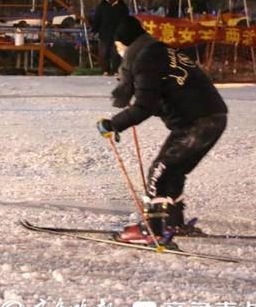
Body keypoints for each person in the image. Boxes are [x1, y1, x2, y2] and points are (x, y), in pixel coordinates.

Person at [97, 16, 228, 245]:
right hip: (206, 118)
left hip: (199, 120)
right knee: (173, 171)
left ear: (125, 43)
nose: (118, 52)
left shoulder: (145, 60)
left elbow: (145, 107)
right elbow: (163, 96)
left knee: (160, 171)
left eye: (118, 46)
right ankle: (173, 222)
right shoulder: (157, 52)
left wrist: (114, 123)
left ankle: (153, 229)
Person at [90, 0, 129, 75]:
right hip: (104, 33)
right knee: (104, 52)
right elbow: (97, 19)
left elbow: (126, 20)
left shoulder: (122, 7)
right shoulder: (102, 6)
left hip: (118, 33)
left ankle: (115, 70)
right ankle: (105, 70)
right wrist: (94, 31)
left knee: (116, 53)